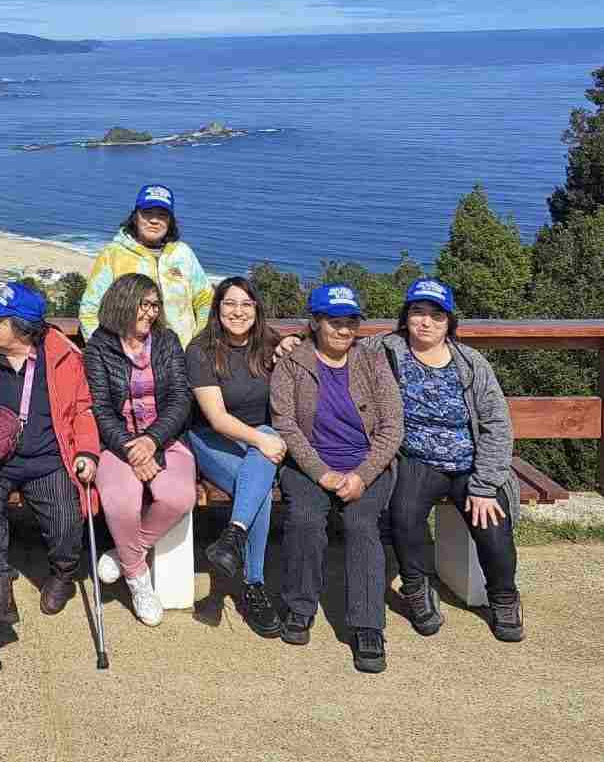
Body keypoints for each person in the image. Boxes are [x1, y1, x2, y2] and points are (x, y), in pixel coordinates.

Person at [370, 278, 524, 642]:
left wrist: (485, 485)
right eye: (417, 312)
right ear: (405, 316)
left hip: (471, 462)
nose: (425, 322)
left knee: (492, 526)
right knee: (404, 516)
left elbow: (497, 424)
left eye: (436, 315)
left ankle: (503, 597)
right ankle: (417, 588)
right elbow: (334, 346)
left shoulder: (470, 362)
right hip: (416, 458)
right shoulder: (383, 350)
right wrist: (290, 343)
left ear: (449, 322)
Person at [270, 284, 403, 673]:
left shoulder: (372, 361)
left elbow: (393, 426)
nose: (344, 330)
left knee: (362, 525)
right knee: (305, 520)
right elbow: (286, 424)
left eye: (351, 322)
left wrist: (362, 475)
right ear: (315, 323)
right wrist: (322, 473)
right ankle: (299, 606)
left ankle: (367, 626)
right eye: (334, 322)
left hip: (367, 466)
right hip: (309, 465)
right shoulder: (292, 363)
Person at [0, 282, 100, 630]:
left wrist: (86, 452)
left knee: (67, 521)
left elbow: (83, 410)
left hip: (47, 459)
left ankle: (63, 573)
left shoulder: (63, 359)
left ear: (21, 329)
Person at [83, 273, 195, 627]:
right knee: (120, 502)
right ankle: (138, 580)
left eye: (154, 305)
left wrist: (151, 441)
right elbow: (99, 407)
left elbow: (180, 398)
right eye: (143, 304)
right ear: (123, 303)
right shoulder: (100, 346)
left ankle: (126, 554)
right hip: (117, 443)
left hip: (164, 438)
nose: (150, 312)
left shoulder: (166, 341)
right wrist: (132, 449)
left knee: (178, 498)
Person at [185, 276, 286, 637]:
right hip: (210, 438)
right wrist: (260, 439)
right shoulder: (200, 351)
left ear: (257, 309)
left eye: (246, 304)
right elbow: (217, 418)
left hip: (258, 444)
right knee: (259, 485)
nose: (238, 311)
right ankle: (254, 585)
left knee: (262, 459)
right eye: (229, 304)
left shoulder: (271, 344)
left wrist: (293, 342)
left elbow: (302, 347)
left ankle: (233, 536)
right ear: (217, 309)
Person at [79, 183, 213, 349]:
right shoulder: (113, 254)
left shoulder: (183, 254)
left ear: (170, 221)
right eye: (147, 213)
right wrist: (104, 354)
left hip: (182, 360)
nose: (154, 220)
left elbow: (206, 300)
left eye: (162, 214)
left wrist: (198, 345)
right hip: (129, 363)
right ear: (135, 217)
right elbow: (89, 310)